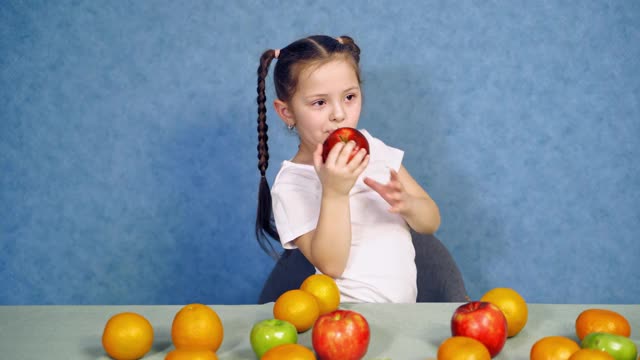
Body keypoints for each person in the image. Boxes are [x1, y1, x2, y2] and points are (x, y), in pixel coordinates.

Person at [255, 35, 441, 303]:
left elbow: (431, 221)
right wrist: (334, 192)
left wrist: (410, 205)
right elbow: (331, 265)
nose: (339, 114)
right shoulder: (292, 184)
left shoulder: (373, 149)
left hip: (402, 316)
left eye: (350, 97)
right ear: (287, 113)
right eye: (320, 103)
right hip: (344, 318)